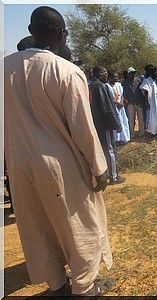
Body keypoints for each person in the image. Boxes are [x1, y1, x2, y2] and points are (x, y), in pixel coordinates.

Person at [4, 6, 114, 296]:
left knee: (37, 225)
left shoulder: (4, 68)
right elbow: (82, 128)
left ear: (30, 31)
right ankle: (84, 288)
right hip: (60, 165)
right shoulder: (66, 71)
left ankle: (56, 284)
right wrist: (99, 168)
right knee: (78, 226)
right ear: (63, 34)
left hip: (18, 163)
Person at [90, 66, 126, 185]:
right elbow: (107, 108)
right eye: (105, 72)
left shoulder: (93, 85)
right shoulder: (100, 86)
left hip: (99, 123)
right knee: (110, 149)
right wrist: (116, 123)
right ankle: (113, 176)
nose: (107, 74)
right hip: (105, 124)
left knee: (106, 148)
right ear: (101, 73)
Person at [108, 72, 130, 144]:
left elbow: (121, 94)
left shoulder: (118, 85)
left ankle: (124, 138)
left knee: (124, 121)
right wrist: (117, 103)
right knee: (117, 122)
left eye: (117, 77)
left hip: (121, 107)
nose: (116, 78)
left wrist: (121, 101)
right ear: (110, 77)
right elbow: (108, 98)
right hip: (114, 108)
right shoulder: (107, 86)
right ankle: (117, 140)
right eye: (114, 77)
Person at [122, 67, 145, 138]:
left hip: (139, 102)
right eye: (131, 73)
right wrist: (126, 101)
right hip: (130, 103)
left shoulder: (138, 80)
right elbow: (123, 93)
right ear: (128, 74)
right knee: (131, 119)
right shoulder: (124, 82)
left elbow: (142, 91)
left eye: (134, 73)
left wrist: (142, 101)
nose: (133, 74)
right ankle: (132, 134)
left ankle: (141, 133)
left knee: (141, 118)